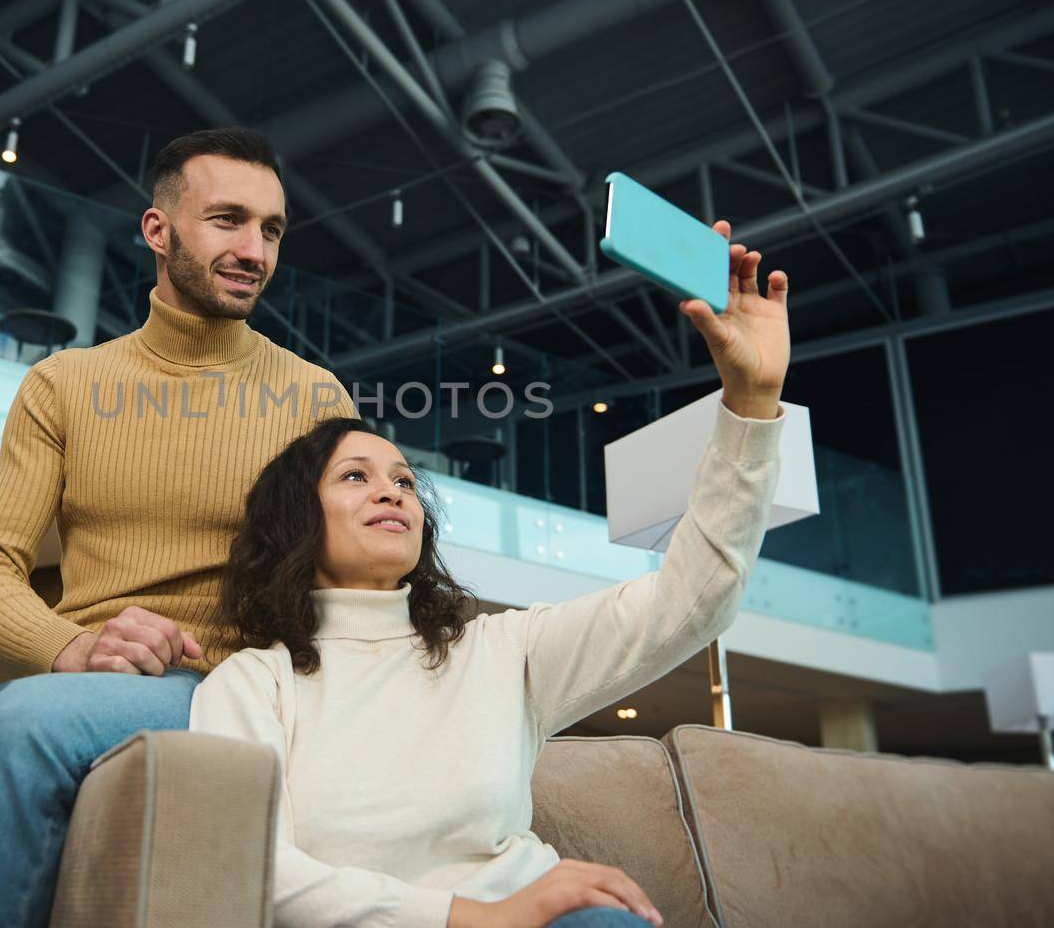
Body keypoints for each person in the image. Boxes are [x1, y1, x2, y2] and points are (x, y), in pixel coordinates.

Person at [0, 127, 356, 927]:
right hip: (65, 686)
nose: (255, 249)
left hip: (222, 686)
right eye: (227, 220)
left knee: (21, 716)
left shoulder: (315, 398)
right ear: (158, 230)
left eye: (272, 229)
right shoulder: (63, 384)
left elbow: (348, 587)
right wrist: (70, 647)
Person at [190, 225, 790, 928]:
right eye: (356, 476)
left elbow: (692, 601)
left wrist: (751, 403)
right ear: (298, 521)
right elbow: (253, 866)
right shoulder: (252, 683)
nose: (393, 494)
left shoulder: (501, 653)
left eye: (406, 481)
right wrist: (472, 916)